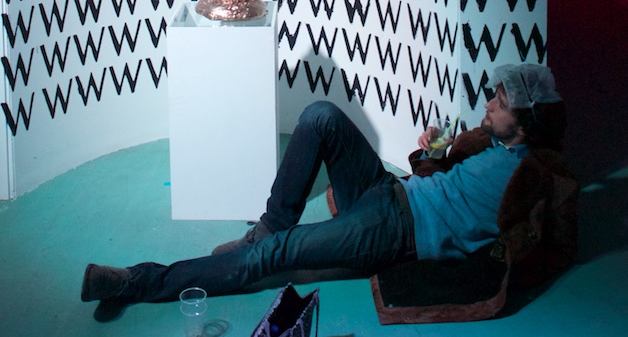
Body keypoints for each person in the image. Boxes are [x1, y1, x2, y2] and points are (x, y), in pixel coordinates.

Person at [81, 62, 565, 322]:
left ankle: (134, 282)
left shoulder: (526, 176)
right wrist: (433, 151)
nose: (488, 104)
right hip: (389, 190)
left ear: (524, 123)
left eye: (500, 103)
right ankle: (269, 224)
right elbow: (449, 181)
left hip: (397, 230)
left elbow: (533, 230)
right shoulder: (494, 144)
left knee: (276, 255)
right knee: (320, 115)